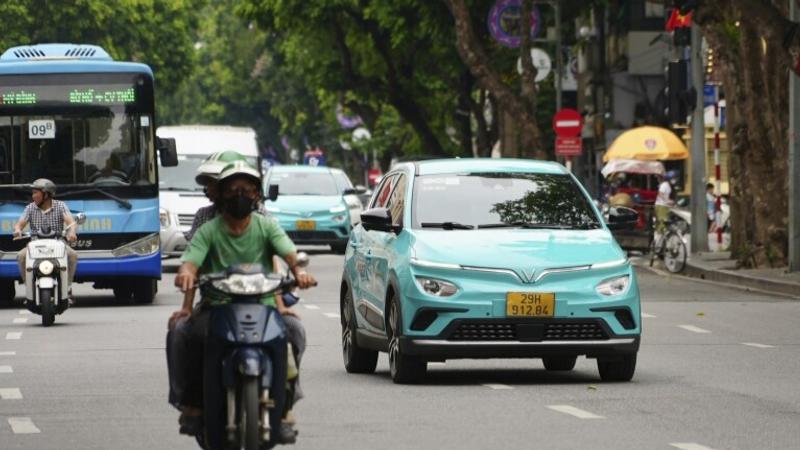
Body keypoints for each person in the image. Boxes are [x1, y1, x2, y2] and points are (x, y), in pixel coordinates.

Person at [168, 161, 315, 443]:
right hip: (216, 307)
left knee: (294, 331)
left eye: (247, 190)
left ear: (256, 196)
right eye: (234, 189)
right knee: (181, 333)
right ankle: (192, 404)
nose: (240, 195)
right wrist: (186, 274)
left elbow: (289, 253)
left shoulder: (266, 227)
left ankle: (285, 407)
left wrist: (300, 272)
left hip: (264, 306)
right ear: (221, 194)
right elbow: (191, 262)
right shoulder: (209, 230)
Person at [13, 179, 78, 300]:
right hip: (35, 244)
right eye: (32, 193)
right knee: (21, 256)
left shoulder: (60, 206)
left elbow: (71, 223)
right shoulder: (30, 208)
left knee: (73, 255)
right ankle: (29, 289)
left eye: (36, 193)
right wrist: (18, 230)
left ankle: (67, 287)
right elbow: (19, 224)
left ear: (46, 194)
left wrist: (72, 232)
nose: (33, 196)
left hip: (58, 243)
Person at [654, 170, 677, 236]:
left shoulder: (669, 185)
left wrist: (669, 201)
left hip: (664, 205)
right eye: (673, 178)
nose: (674, 179)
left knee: (664, 220)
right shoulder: (665, 185)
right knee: (662, 221)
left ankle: (661, 235)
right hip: (661, 205)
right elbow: (660, 193)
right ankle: (659, 235)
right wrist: (667, 200)